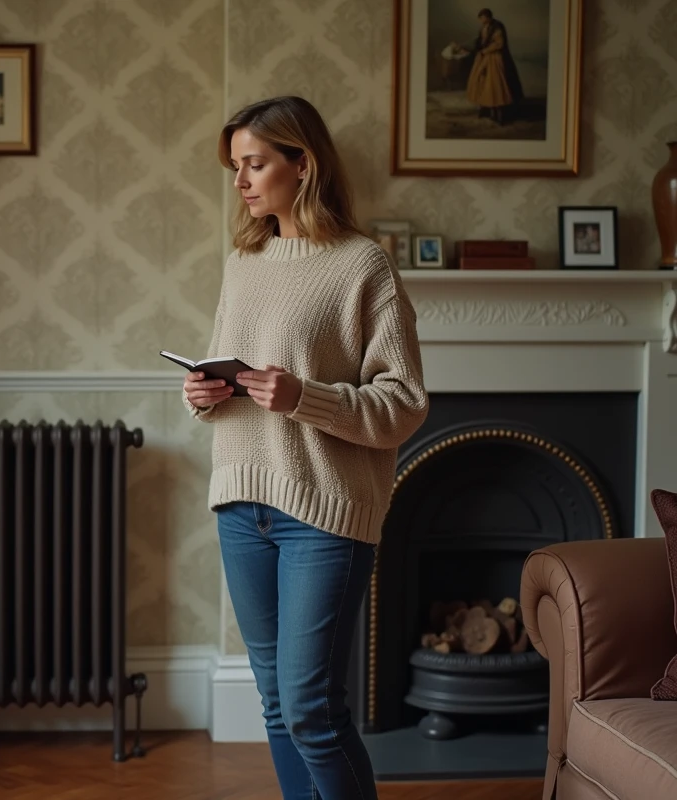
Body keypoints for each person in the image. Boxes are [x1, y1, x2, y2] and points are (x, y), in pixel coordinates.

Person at [182, 96, 429, 799]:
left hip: (324, 512)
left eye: (255, 164)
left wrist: (303, 397)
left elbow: (404, 404)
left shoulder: (364, 266)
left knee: (311, 711)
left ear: (303, 164)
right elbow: (229, 368)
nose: (240, 181)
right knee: (276, 706)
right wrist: (201, 392)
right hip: (241, 503)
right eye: (235, 166)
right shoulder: (245, 261)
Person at [452, 7, 525, 125]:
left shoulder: (497, 27)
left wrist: (485, 51)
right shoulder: (484, 27)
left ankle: (499, 114)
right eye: (480, 18)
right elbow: (480, 41)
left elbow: (499, 44)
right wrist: (467, 48)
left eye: (482, 18)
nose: (481, 20)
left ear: (487, 17)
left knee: (494, 85)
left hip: (494, 58)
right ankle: (485, 109)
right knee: (480, 81)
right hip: (483, 57)